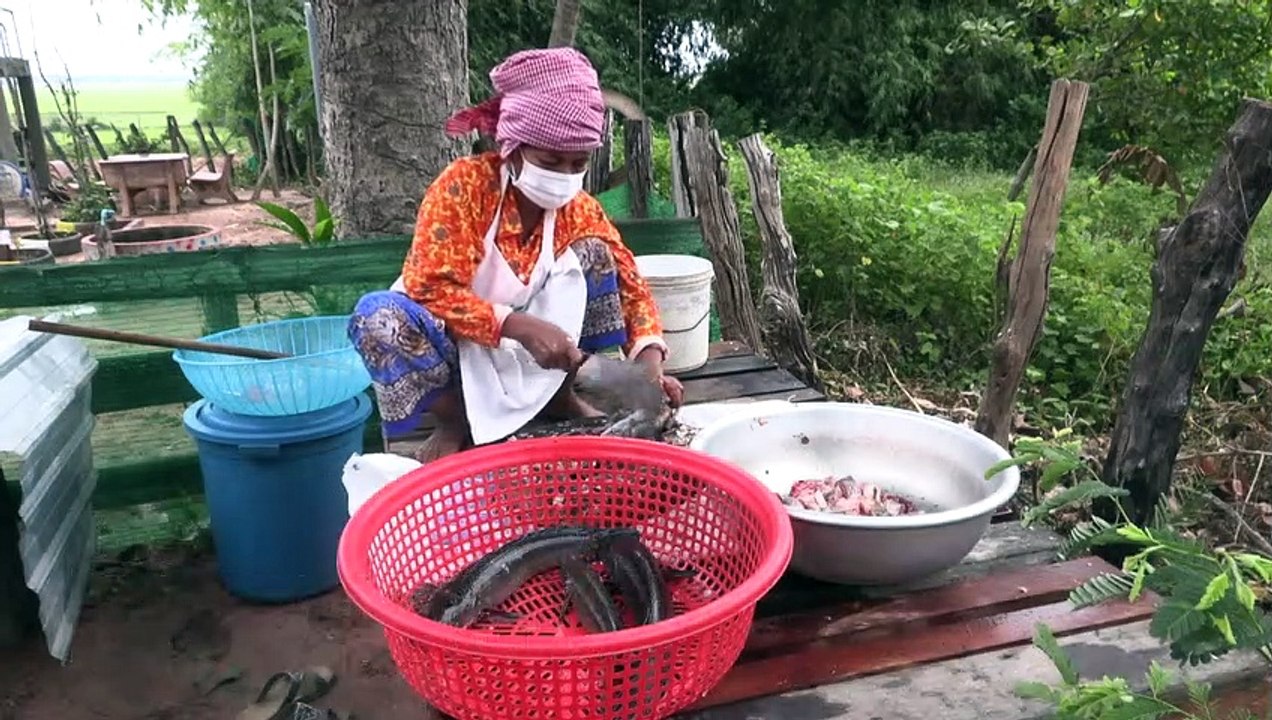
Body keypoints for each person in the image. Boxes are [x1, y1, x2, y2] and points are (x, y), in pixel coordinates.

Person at [348, 47, 684, 462]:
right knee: (375, 318)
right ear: (514, 147)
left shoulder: (577, 208)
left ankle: (558, 399)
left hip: (538, 360)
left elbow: (629, 281)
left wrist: (648, 369)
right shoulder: (465, 186)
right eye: (550, 161)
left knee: (598, 255)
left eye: (577, 163)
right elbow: (427, 285)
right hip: (454, 344)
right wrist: (514, 324)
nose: (563, 176)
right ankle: (456, 422)